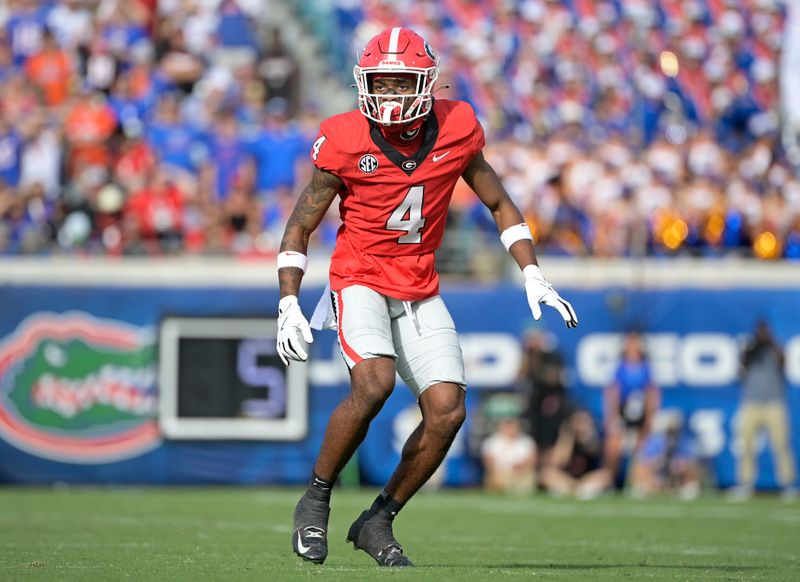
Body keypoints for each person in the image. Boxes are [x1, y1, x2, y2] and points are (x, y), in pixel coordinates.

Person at [275, 27, 578, 567]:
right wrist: (288, 302)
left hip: (418, 285)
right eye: (380, 84)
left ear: (427, 83)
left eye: (401, 84)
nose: (389, 96)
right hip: (360, 277)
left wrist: (533, 272)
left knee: (448, 411)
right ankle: (315, 498)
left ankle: (378, 518)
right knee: (373, 383)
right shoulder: (345, 138)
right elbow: (300, 226)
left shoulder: (457, 126)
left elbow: (500, 202)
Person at [729, 320, 797, 500]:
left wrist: (770, 342)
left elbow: (783, 361)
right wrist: (747, 354)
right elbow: (739, 374)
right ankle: (746, 483)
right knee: (746, 445)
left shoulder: (774, 349)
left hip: (773, 403)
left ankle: (787, 484)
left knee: (781, 444)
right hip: (751, 403)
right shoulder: (750, 352)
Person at [602, 331, 660, 485]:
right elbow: (613, 392)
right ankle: (611, 482)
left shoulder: (645, 368)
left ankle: (635, 481)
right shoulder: (620, 368)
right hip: (623, 414)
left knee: (641, 451)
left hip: (640, 414)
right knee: (613, 446)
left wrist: (649, 418)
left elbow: (651, 393)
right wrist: (612, 416)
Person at [539, 410, 612, 499]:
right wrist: (567, 438)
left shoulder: (593, 439)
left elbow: (595, 454)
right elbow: (558, 462)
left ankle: (579, 489)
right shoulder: (567, 439)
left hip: (586, 478)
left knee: (605, 475)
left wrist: (586, 437)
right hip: (566, 477)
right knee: (546, 474)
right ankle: (570, 488)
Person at [628, 410, 701, 500]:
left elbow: (692, 463)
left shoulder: (684, 442)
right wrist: (659, 462)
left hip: (676, 477)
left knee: (691, 470)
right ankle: (651, 487)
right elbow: (643, 462)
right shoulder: (655, 441)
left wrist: (681, 465)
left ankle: (681, 488)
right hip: (658, 474)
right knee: (640, 469)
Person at [481, 411, 537, 495]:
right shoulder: (492, 442)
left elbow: (531, 461)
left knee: (528, 480)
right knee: (496, 480)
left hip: (520, 474)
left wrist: (519, 469)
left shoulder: (526, 441)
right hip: (500, 474)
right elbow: (489, 463)